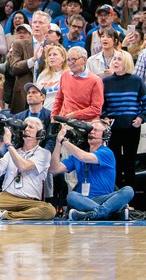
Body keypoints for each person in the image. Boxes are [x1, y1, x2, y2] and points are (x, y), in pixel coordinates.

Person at [0, 117, 55, 220]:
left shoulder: (44, 153)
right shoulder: (12, 152)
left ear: (39, 133)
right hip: (8, 196)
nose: (26, 129)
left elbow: (23, 166)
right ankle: (10, 215)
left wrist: (9, 144)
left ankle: (4, 215)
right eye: (25, 126)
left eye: (31, 127)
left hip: (30, 200)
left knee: (49, 211)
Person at [50, 119, 134, 220]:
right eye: (90, 129)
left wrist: (64, 141)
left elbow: (83, 157)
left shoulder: (106, 153)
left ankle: (91, 214)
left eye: (96, 130)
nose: (92, 131)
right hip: (84, 200)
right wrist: (58, 142)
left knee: (128, 191)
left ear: (105, 135)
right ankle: (109, 214)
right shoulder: (77, 155)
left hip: (105, 199)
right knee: (71, 196)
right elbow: (54, 169)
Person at [101, 52, 146, 190]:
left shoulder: (136, 80)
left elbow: (144, 104)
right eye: (114, 58)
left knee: (129, 163)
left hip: (131, 128)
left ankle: (130, 200)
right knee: (114, 163)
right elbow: (101, 105)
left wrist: (140, 118)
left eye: (119, 59)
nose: (115, 61)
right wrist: (104, 117)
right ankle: (115, 195)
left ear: (126, 62)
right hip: (113, 129)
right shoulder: (106, 82)